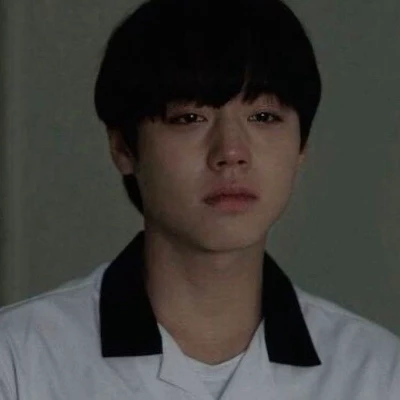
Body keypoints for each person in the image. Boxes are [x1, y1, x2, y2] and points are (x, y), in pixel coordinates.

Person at [1, 0, 399, 398]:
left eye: (263, 117)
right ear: (123, 147)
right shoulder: (19, 359)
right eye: (190, 117)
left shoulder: (376, 373)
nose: (231, 152)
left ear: (302, 146)